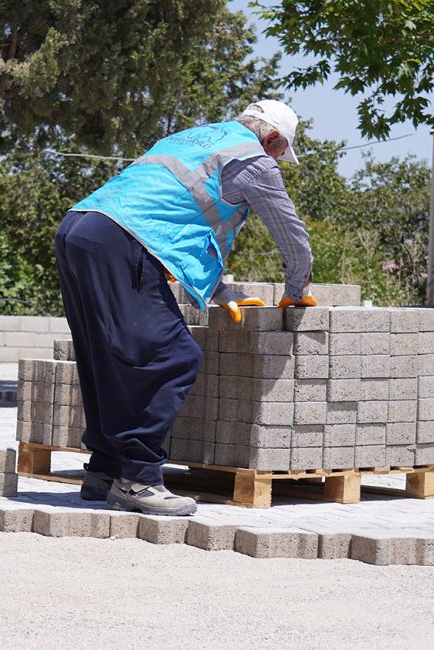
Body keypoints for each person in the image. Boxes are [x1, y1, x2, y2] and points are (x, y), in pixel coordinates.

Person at [56, 100, 316, 516]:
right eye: (279, 153)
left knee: (103, 355)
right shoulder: (253, 160)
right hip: (122, 238)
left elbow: (175, 215)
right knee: (172, 356)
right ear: (271, 138)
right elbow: (290, 233)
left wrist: (221, 291)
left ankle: (104, 470)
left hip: (80, 229)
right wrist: (296, 287)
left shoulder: (196, 138)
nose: (277, 163)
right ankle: (138, 479)